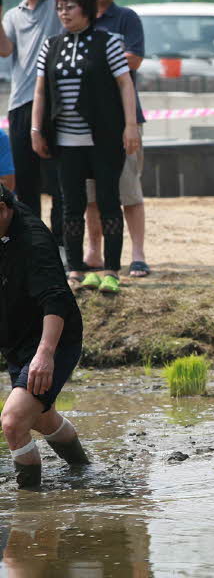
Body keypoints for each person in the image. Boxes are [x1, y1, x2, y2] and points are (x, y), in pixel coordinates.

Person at [31, 0, 140, 294]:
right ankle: (75, 268)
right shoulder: (51, 45)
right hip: (65, 141)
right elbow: (40, 90)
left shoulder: (107, 41)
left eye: (71, 6)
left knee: (108, 202)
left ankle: (111, 270)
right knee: (71, 205)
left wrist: (130, 125)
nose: (64, 13)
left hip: (104, 139)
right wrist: (36, 130)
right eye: (60, 7)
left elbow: (125, 83)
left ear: (87, 9)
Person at [0, 183, 89, 489]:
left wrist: (45, 353)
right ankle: (83, 471)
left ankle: (30, 505)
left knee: (13, 422)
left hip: (53, 341)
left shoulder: (34, 241)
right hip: (17, 338)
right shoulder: (4, 225)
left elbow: (56, 298)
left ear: (3, 209)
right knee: (41, 417)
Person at [80, 0, 149, 278]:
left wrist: (95, 59)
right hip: (85, 121)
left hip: (125, 119)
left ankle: (138, 254)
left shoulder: (127, 18)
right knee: (91, 194)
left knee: (129, 190)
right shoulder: (78, 19)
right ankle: (92, 252)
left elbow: (133, 60)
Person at [0, 0, 67, 254]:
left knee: (58, 181)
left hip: (55, 104)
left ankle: (63, 243)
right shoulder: (13, 14)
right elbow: (5, 51)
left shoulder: (57, 4)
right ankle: (32, 245)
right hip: (20, 104)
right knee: (25, 182)